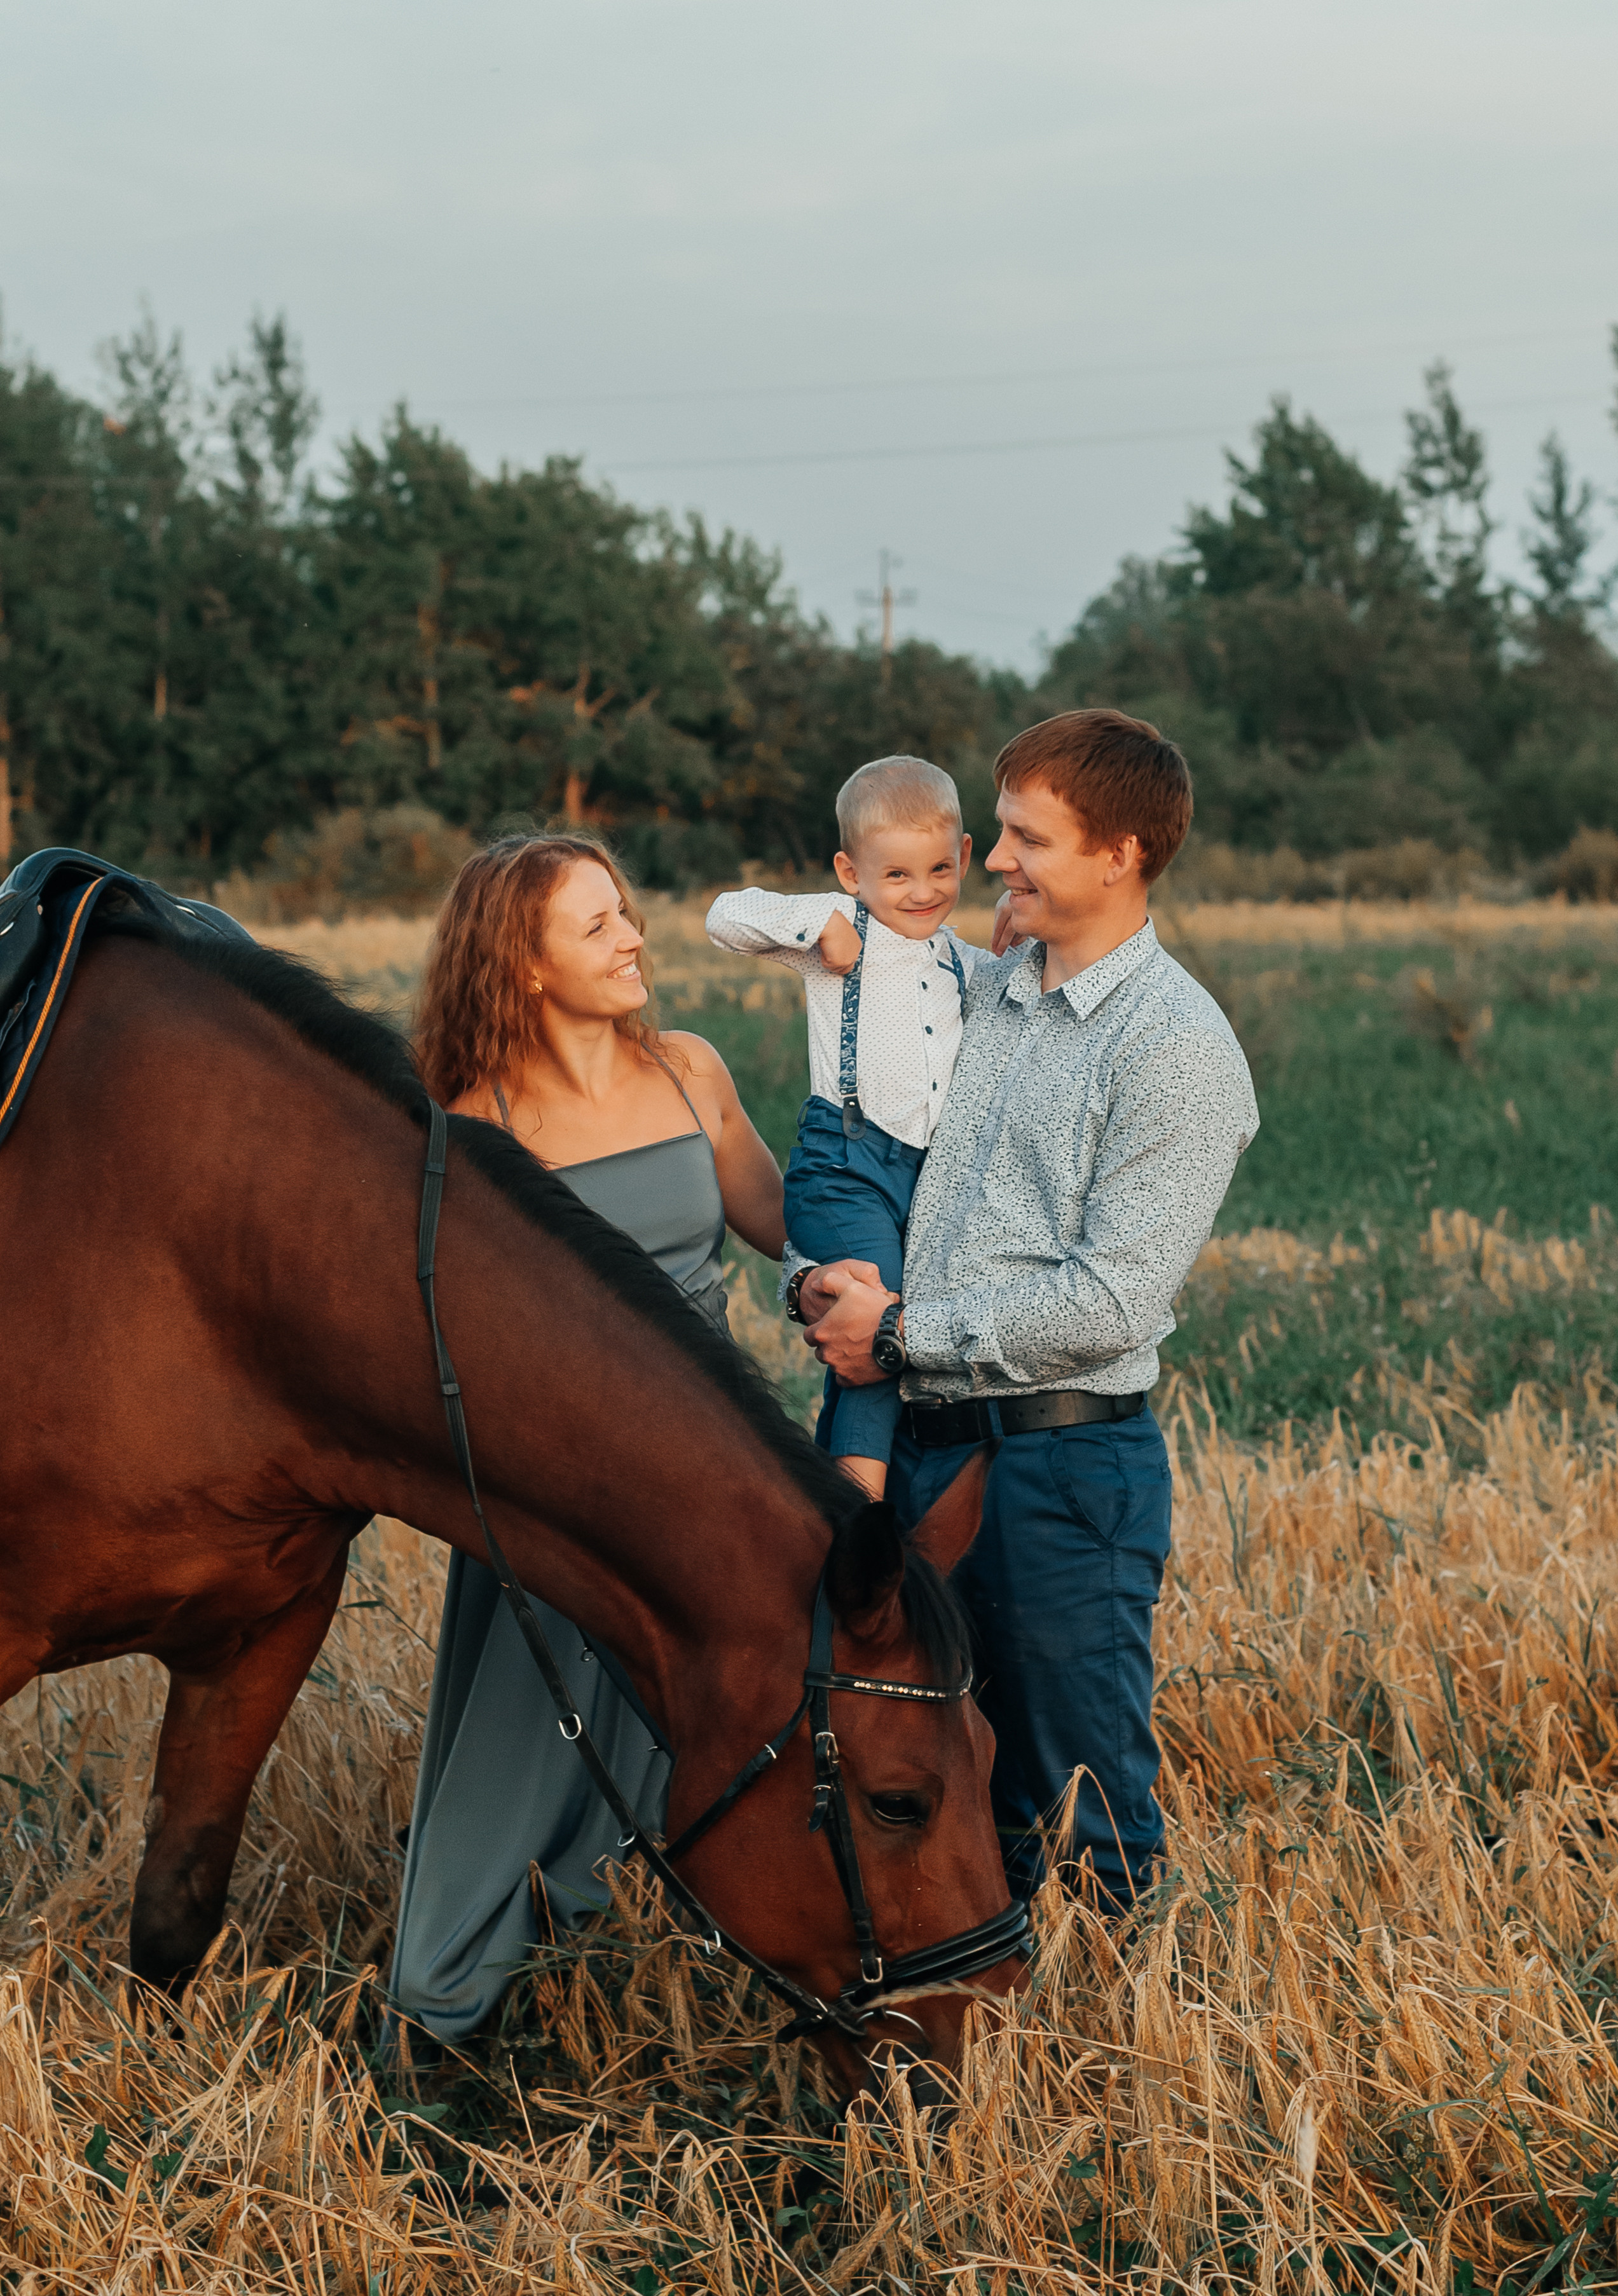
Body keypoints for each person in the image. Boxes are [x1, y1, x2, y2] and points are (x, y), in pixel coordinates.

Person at [795, 709, 1259, 1913]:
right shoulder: (988, 993)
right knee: (935, 1785)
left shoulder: (1178, 1048)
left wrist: (898, 1336)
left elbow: (1111, 1299)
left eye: (1023, 838)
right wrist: (818, 1278)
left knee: (1078, 1804)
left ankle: (1114, 2073)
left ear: (1119, 854)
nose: (993, 861)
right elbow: (874, 1162)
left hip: (1059, 1464)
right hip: (925, 1451)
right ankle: (971, 2059)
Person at [392, 831, 786, 2042]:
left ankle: (680, 1963)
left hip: (724, 1450)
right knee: (536, 1719)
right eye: (599, 924)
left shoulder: (690, 1069)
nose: (634, 938)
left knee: (734, 1694)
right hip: (567, 1474)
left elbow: (782, 1227)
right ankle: (453, 1985)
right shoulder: (470, 1125)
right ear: (522, 964)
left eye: (627, 912)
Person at [705, 756, 980, 1498]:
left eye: (937, 870)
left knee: (891, 1340)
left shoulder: (964, 961)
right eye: (895, 876)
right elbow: (723, 915)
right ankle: (859, 1509)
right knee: (875, 1312)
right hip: (846, 1166)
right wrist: (817, 918)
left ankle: (825, 1508)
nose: (921, 893)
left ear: (963, 857)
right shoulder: (838, 936)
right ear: (850, 871)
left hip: (925, 1178)